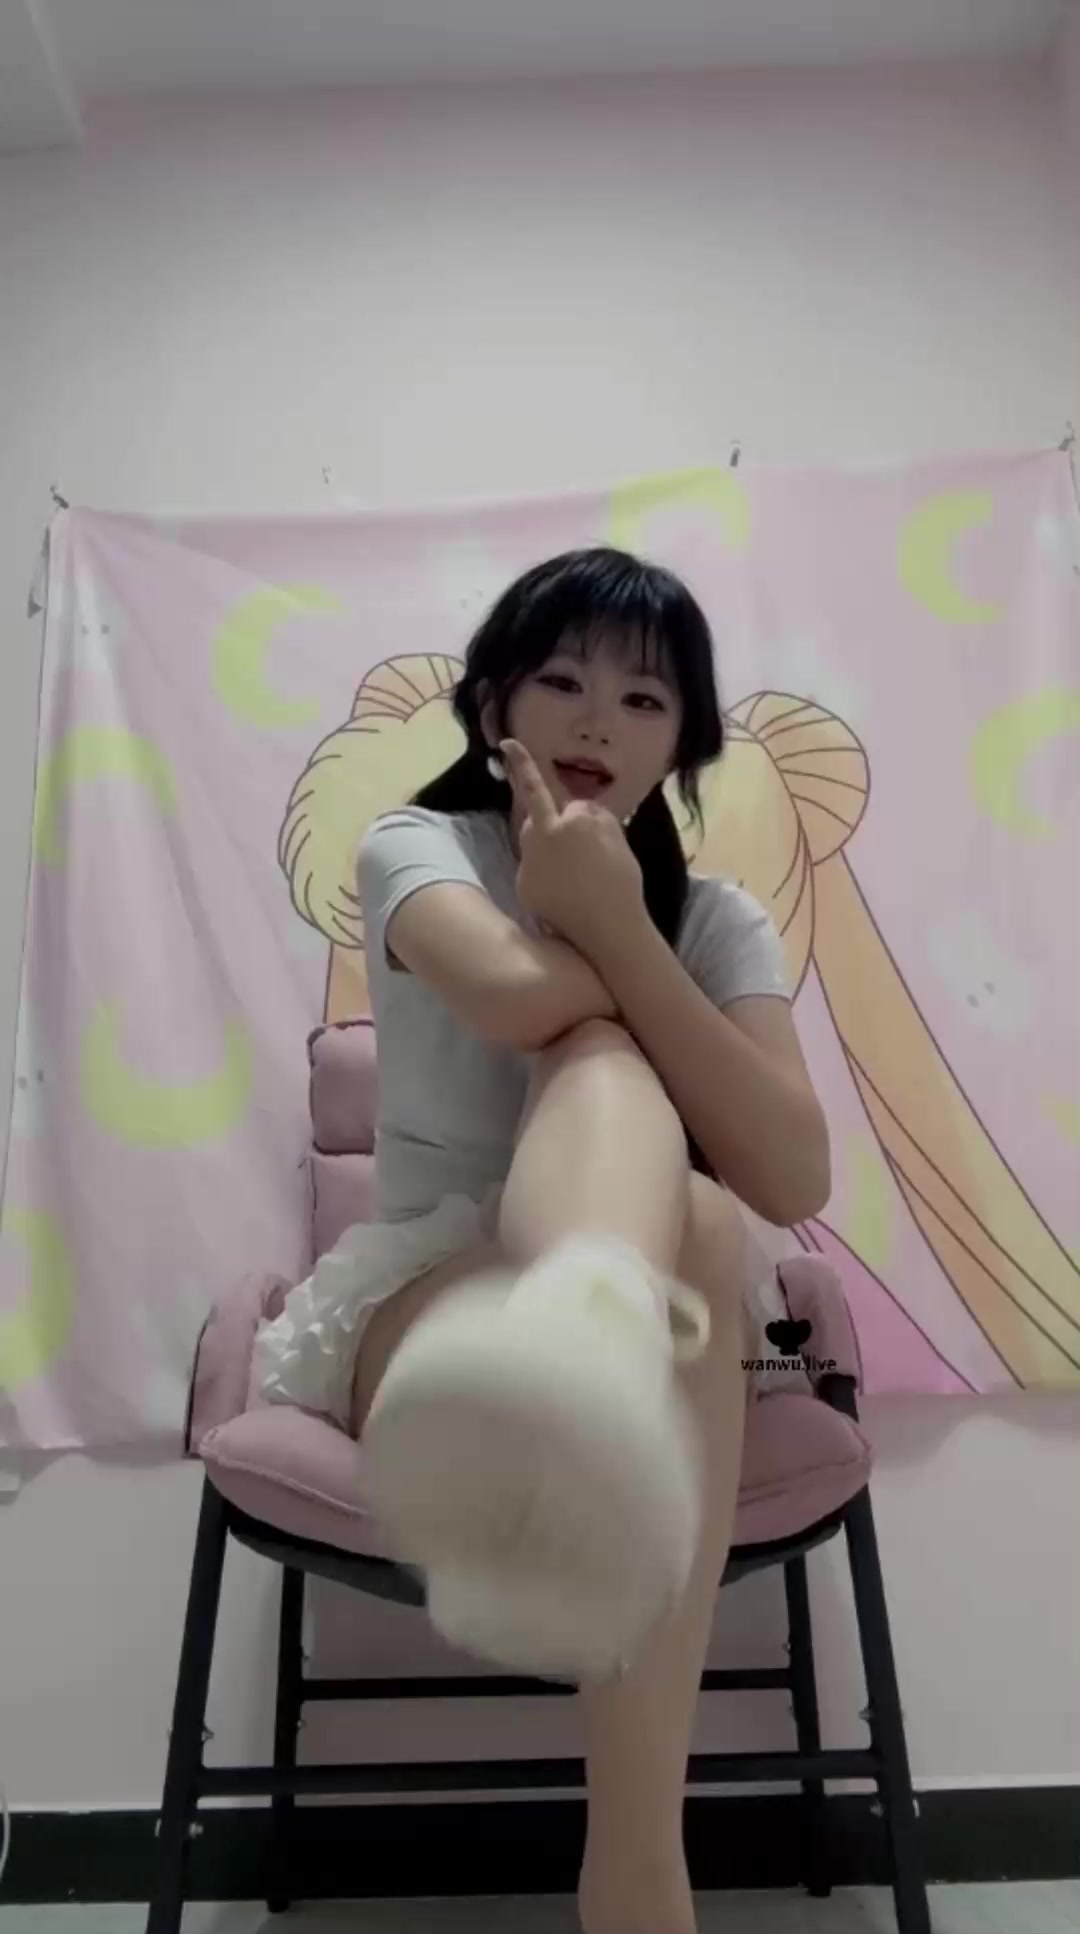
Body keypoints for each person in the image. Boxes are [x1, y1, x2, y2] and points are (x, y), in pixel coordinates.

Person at [255, 546, 830, 1934]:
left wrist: (624, 923)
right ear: (495, 702)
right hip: (433, 1303)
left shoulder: (714, 918)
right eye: (562, 680)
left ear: (681, 744)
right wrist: (612, 942)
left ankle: (633, 1864)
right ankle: (641, 1874)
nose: (596, 722)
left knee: (702, 1210)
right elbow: (520, 1000)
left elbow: (792, 1170)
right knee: (608, 1064)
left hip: (652, 1318)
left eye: (644, 699)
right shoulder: (419, 847)